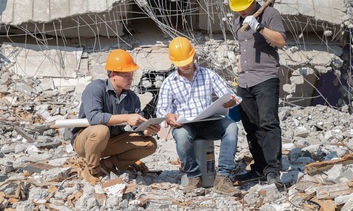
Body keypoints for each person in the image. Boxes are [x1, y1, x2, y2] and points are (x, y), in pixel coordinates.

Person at [156, 37, 240, 195]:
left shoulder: (209, 75)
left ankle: (223, 177)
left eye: (188, 60)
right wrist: (168, 116)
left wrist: (231, 101)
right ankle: (194, 176)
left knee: (231, 126)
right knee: (180, 136)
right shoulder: (169, 82)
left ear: (194, 56)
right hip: (185, 126)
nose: (186, 65)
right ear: (174, 62)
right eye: (181, 63)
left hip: (209, 124)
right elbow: (161, 110)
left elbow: (230, 95)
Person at [71, 49, 160, 182]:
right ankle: (93, 170)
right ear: (113, 74)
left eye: (132, 75)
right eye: (126, 75)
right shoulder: (95, 88)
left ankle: (108, 164)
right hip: (86, 142)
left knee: (149, 144)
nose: (131, 79)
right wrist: (127, 118)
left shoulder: (132, 98)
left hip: (111, 141)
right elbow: (94, 118)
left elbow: (138, 126)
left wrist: (147, 130)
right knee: (101, 130)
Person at [229, 0, 286, 185]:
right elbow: (242, 48)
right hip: (244, 81)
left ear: (253, 1)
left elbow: (280, 41)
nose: (241, 12)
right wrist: (239, 74)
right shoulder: (238, 19)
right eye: (238, 9)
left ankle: (272, 171)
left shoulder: (270, 14)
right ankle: (260, 168)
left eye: (243, 8)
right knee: (251, 127)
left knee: (268, 124)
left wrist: (259, 27)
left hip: (265, 77)